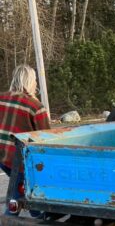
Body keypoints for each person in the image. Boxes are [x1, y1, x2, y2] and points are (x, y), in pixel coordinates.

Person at [0, 64, 50, 216]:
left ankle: (37, 213)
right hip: (20, 161)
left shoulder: (1, 98)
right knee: (18, 192)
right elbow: (47, 139)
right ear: (31, 82)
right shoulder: (36, 107)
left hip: (2, 158)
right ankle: (30, 216)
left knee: (22, 186)